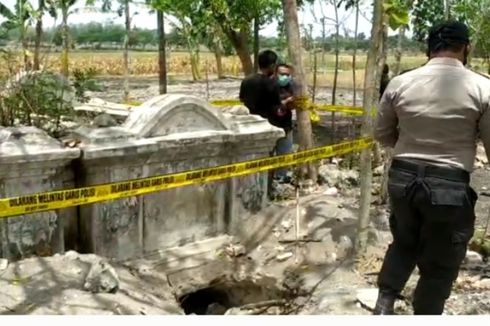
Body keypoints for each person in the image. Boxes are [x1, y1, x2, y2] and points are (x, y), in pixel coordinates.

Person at [374, 20, 490, 315]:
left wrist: (411, 145)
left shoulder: (401, 82)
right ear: (465, 48)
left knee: (404, 240)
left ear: (429, 48)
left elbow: (382, 133)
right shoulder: (482, 87)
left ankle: (384, 303)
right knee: (441, 258)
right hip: (448, 185)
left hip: (402, 177)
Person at [239, 50, 281, 121]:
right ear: (272, 65)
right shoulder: (272, 83)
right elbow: (277, 105)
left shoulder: (246, 80)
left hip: (250, 120)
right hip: (267, 122)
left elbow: (241, 99)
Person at [270, 63, 295, 181]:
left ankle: (280, 178)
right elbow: (269, 106)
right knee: (267, 156)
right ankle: (267, 181)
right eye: (282, 74)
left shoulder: (290, 87)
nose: (285, 77)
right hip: (270, 126)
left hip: (286, 126)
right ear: (275, 74)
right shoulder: (268, 86)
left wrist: (293, 103)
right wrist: (286, 102)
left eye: (287, 74)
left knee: (284, 154)